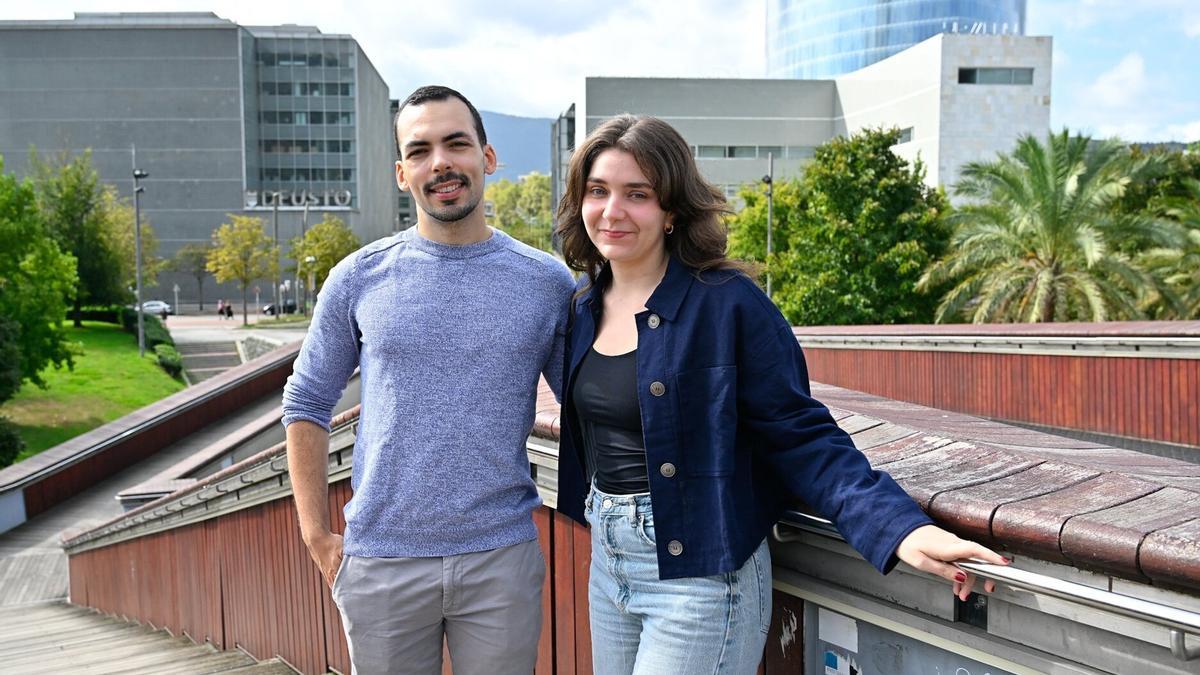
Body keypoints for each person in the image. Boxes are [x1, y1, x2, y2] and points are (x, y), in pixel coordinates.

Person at [553, 115, 1008, 675]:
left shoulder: (728, 305)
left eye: (637, 194)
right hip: (610, 566)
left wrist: (899, 528)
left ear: (671, 210)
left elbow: (800, 431)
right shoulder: (581, 307)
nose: (612, 210)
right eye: (597, 191)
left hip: (700, 579)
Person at [282, 85, 574, 675]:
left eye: (456, 143)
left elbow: (593, 401)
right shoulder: (358, 278)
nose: (439, 162)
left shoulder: (547, 283)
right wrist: (317, 536)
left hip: (501, 557)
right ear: (401, 173)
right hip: (379, 562)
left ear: (486, 159)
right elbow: (306, 400)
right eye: (420, 150)